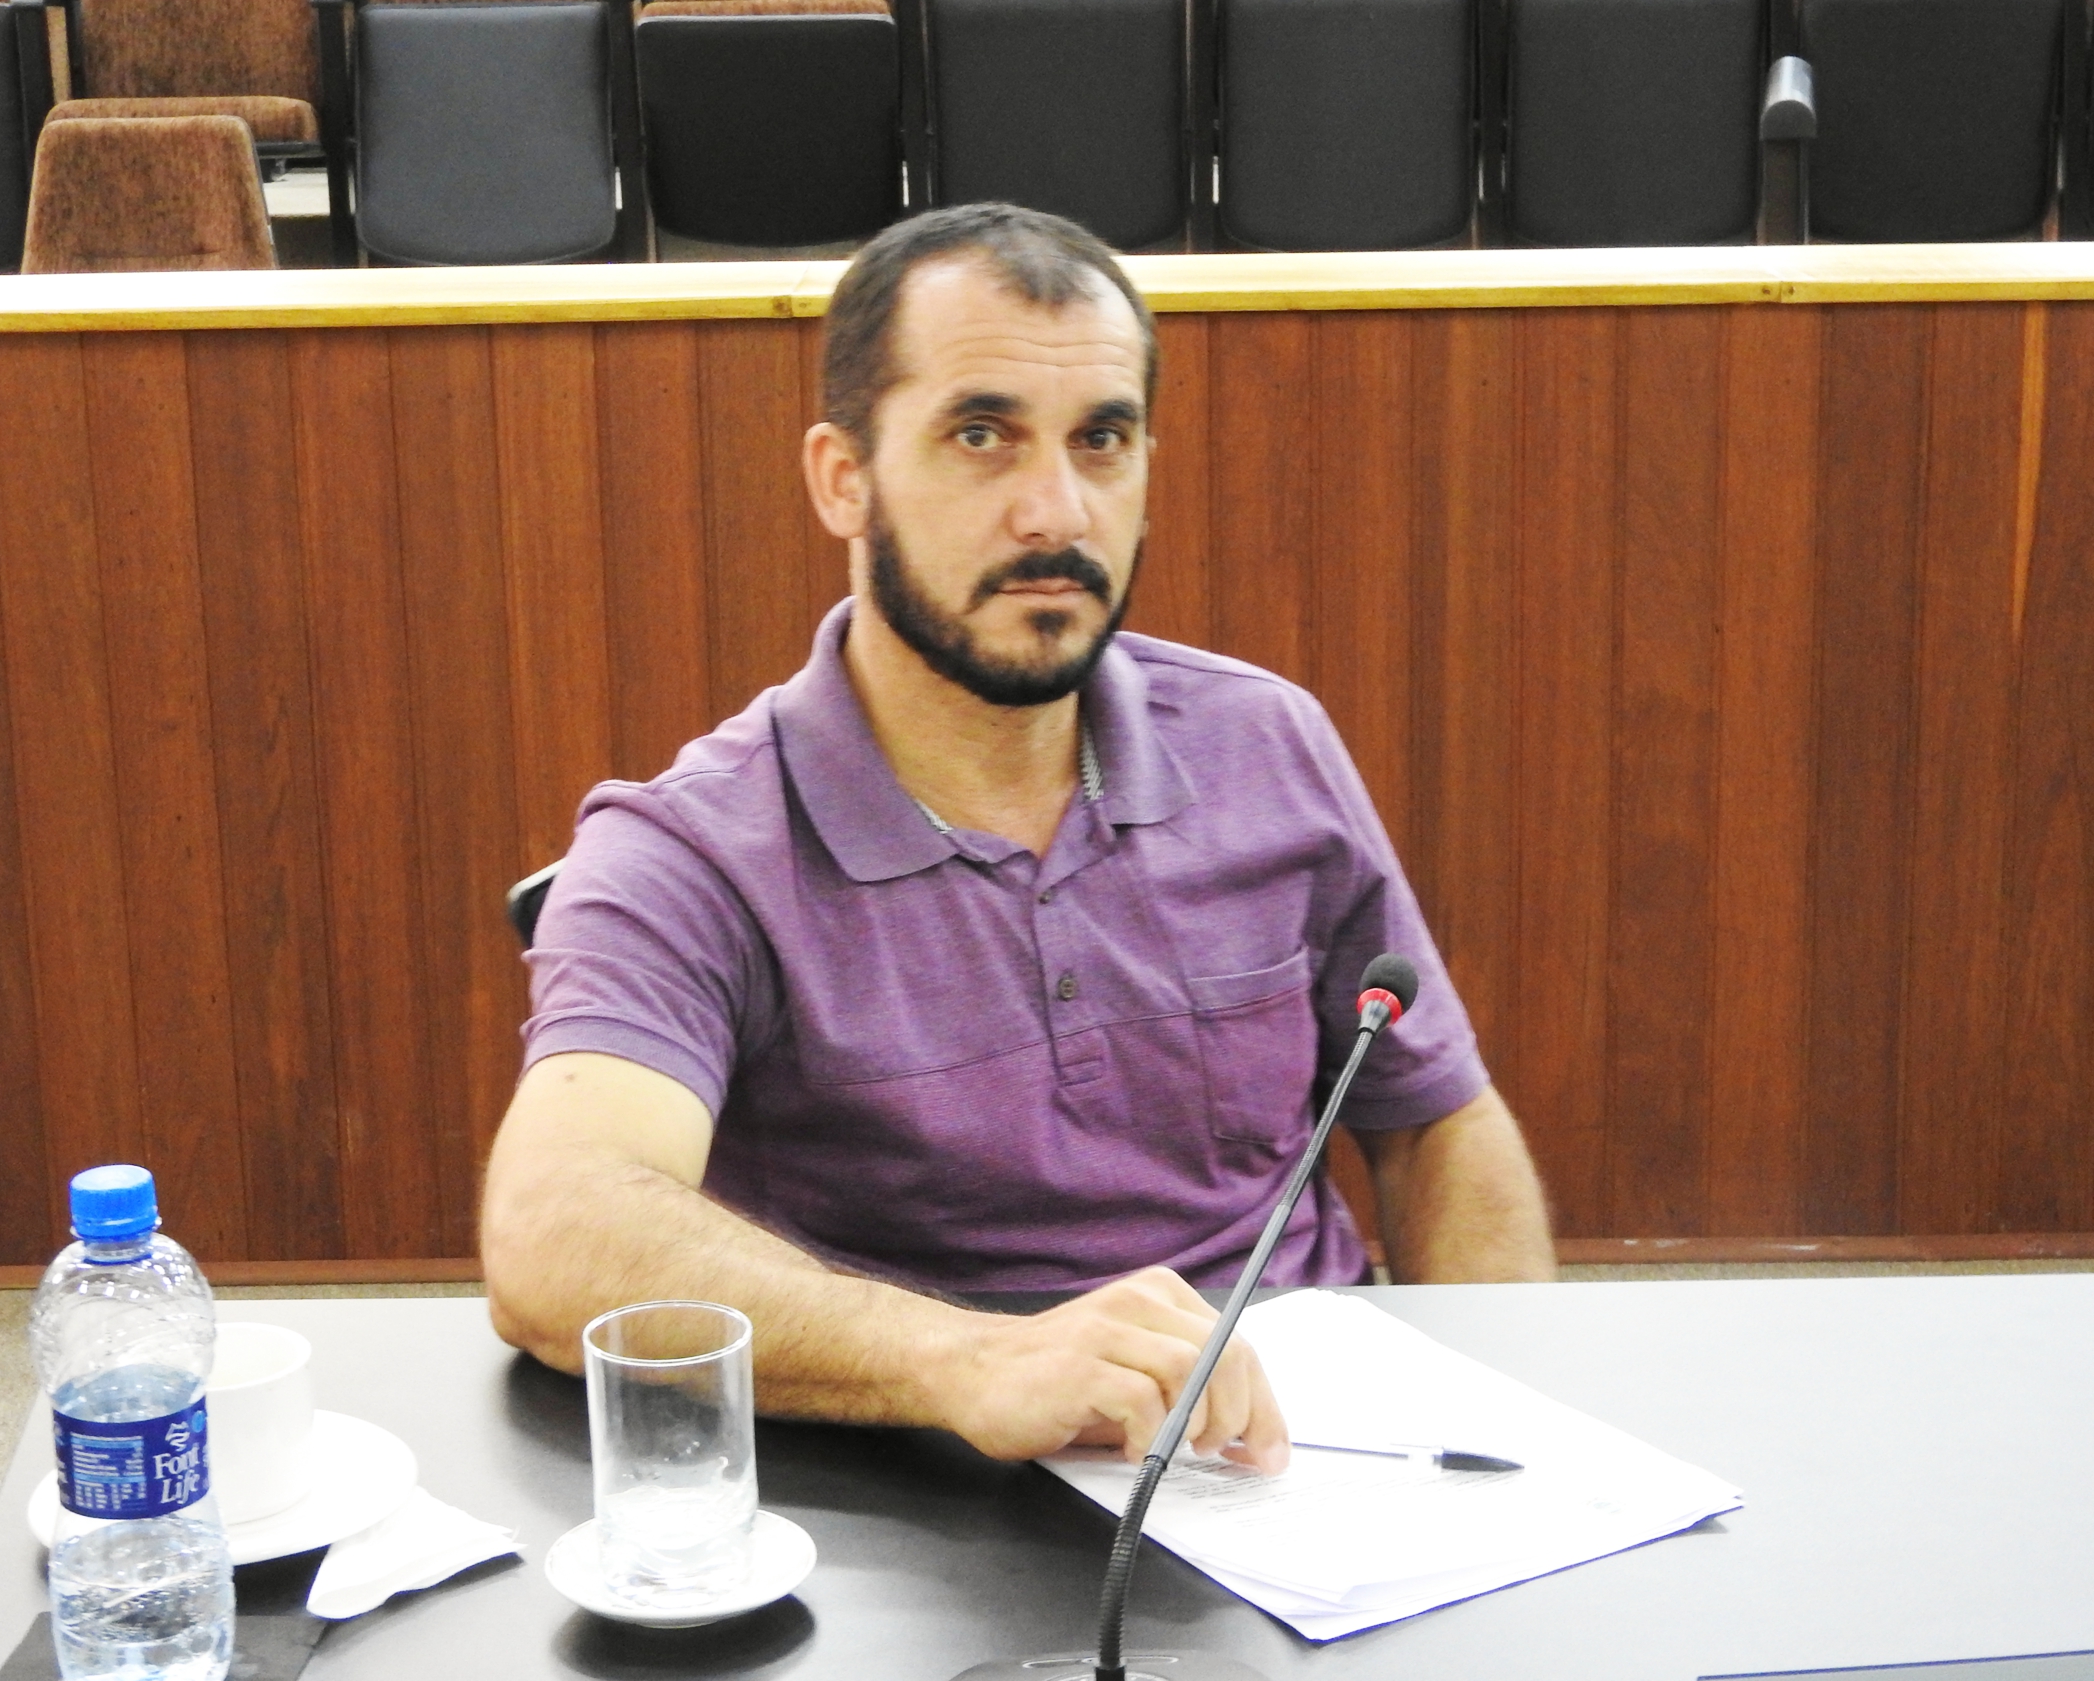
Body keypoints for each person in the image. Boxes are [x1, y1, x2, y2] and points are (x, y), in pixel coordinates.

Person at [481, 203, 1555, 1477]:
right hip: (928, 1479)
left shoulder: (1264, 740)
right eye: (980, 436)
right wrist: (965, 1361)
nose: (1054, 512)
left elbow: (1433, 1124)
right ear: (842, 478)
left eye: (1101, 440)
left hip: (1308, 1455)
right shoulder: (687, 850)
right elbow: (556, 1228)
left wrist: (1514, 1440)